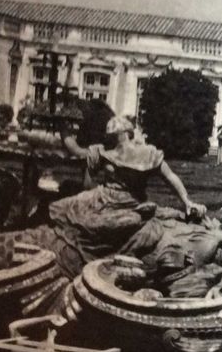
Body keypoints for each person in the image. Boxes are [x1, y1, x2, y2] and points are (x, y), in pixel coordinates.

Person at [52, 116, 207, 276]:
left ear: (124, 134)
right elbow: (81, 164)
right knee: (62, 209)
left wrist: (187, 201)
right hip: (105, 199)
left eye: (113, 134)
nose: (111, 137)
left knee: (64, 210)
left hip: (127, 203)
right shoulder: (105, 151)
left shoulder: (144, 153)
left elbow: (170, 177)